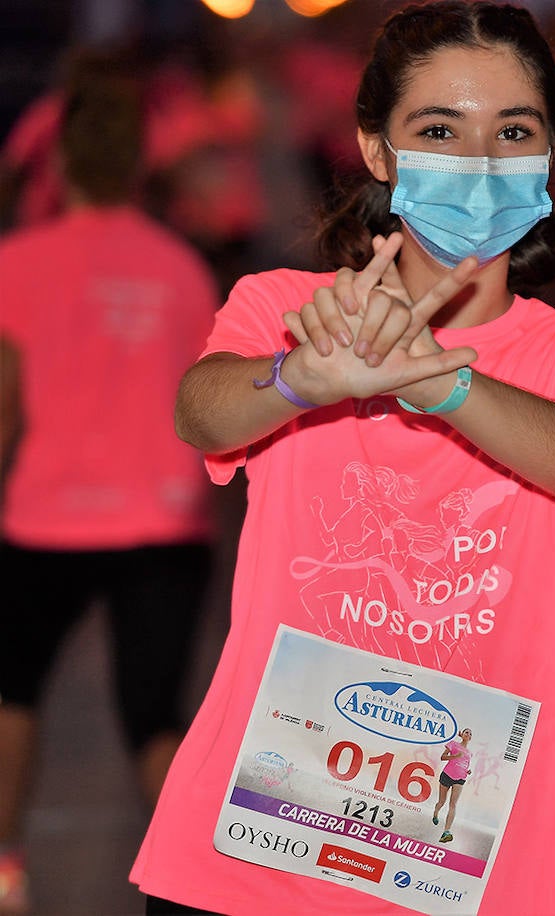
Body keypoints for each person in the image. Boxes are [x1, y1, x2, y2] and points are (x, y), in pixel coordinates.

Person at [130, 3, 555, 913]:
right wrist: (301, 377)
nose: (480, 161)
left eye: (513, 131)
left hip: (472, 865)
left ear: (551, 159)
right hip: (251, 851)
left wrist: (434, 381)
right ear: (378, 149)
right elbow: (201, 414)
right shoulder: (287, 306)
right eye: (440, 129)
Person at [0, 63, 218, 914]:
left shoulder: (15, 262)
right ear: (137, 164)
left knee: (11, 694)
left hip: (41, 520)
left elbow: (4, 407)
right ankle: (189, 889)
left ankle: (7, 873)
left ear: (58, 164)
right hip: (163, 525)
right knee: (154, 716)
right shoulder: (182, 270)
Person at [433, 727, 473, 844]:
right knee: (442, 802)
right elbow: (443, 757)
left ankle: (446, 831)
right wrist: (454, 756)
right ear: (463, 734)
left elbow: (465, 764)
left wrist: (468, 771)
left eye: (470, 734)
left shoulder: (470, 753)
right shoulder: (453, 744)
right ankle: (435, 813)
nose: (468, 734)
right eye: (467, 732)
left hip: (460, 779)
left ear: (470, 738)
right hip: (447, 775)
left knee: (453, 804)